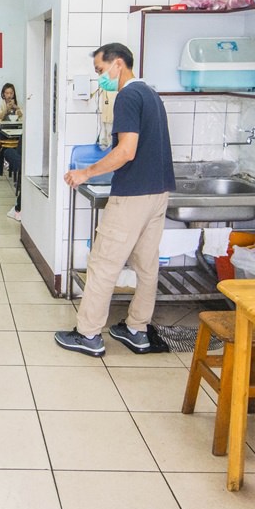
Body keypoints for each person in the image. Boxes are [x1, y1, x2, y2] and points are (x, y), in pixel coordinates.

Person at [54, 42, 175, 357]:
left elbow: (126, 151)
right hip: (159, 193)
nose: (99, 78)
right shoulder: (151, 94)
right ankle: (137, 329)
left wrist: (87, 173)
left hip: (133, 195)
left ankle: (89, 334)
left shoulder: (127, 96)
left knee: (103, 263)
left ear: (117, 63)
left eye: (99, 70)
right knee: (147, 265)